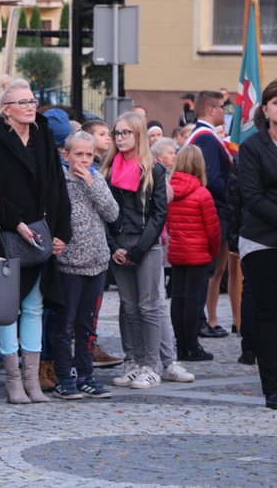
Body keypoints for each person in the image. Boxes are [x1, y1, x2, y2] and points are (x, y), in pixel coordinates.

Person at [0, 79, 71, 405]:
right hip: (8, 233)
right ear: (6, 110)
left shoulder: (43, 135)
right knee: (9, 308)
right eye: (22, 102)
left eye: (32, 100)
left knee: (35, 306)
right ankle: (13, 380)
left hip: (42, 232)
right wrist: (13, 220)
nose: (30, 106)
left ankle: (33, 381)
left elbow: (57, 184)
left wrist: (61, 230)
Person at [237, 78, 277, 410]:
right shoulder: (252, 148)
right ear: (266, 108)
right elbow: (254, 198)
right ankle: (272, 388)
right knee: (268, 314)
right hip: (263, 239)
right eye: (276, 101)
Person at [52, 131, 118, 400]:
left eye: (89, 155)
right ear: (65, 155)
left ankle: (85, 374)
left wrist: (92, 182)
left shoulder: (97, 179)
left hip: (97, 262)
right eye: (78, 154)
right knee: (65, 325)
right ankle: (63, 376)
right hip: (69, 264)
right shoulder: (60, 181)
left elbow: (112, 213)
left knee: (88, 325)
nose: (83, 160)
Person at [104, 112, 168, 390]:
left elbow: (159, 213)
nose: (119, 138)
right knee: (129, 307)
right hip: (119, 244)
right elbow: (104, 213)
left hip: (146, 245)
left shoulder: (153, 170)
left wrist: (138, 250)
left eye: (125, 133)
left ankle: (152, 365)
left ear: (138, 135)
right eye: (117, 133)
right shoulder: (108, 170)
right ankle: (134, 361)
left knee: (148, 306)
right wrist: (115, 246)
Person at [166, 145, 220, 362]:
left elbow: (168, 225)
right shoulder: (202, 194)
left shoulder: (170, 191)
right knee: (192, 299)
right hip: (198, 253)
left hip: (178, 251)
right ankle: (192, 344)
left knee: (177, 298)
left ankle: (180, 345)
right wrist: (213, 252)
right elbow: (213, 230)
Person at [186, 90, 232, 339]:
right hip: (211, 211)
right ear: (212, 109)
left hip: (208, 210)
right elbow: (211, 179)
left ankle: (197, 322)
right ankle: (198, 323)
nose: (226, 112)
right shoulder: (205, 138)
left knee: (204, 271)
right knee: (204, 272)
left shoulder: (204, 135)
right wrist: (233, 197)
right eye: (223, 107)